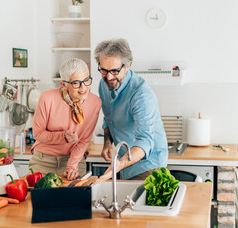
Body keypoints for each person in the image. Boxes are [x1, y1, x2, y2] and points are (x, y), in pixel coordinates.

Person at [94, 38, 168, 182]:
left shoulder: (141, 95)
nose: (109, 77)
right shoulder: (104, 85)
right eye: (103, 70)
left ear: (127, 66)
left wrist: (119, 165)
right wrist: (107, 144)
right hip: (124, 162)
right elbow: (108, 118)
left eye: (115, 71)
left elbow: (144, 141)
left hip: (148, 166)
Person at [29, 58, 101, 180]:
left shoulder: (95, 103)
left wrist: (71, 166)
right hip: (43, 161)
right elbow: (37, 134)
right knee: (39, 199)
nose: (83, 87)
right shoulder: (47, 98)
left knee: (74, 199)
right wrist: (63, 137)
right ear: (64, 84)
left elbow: (84, 140)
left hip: (74, 160)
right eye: (76, 83)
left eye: (86, 80)